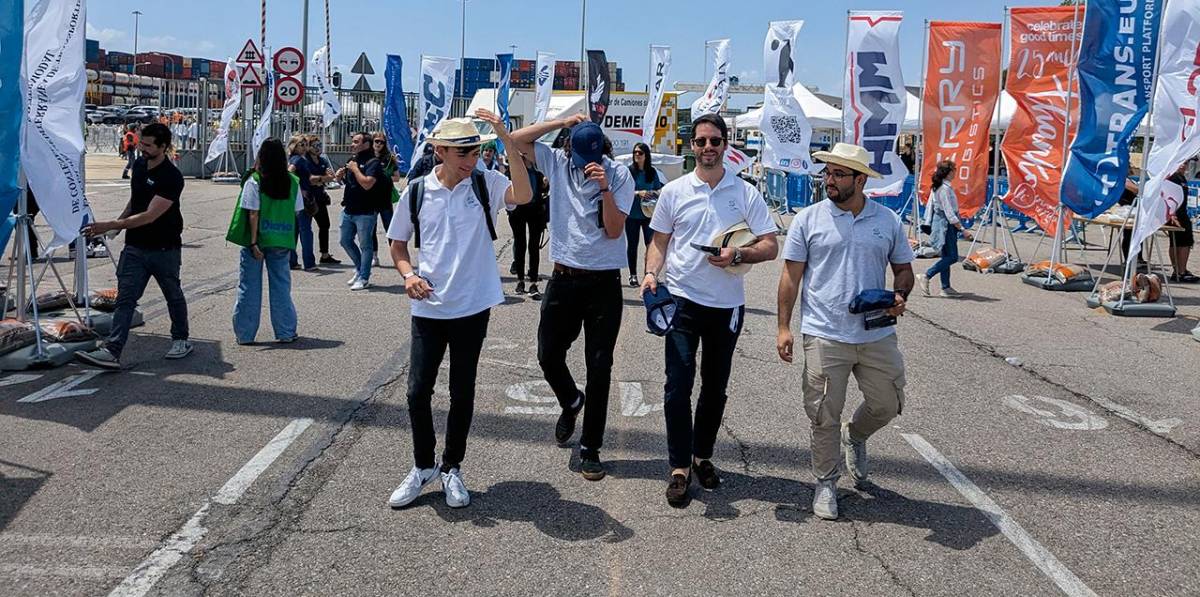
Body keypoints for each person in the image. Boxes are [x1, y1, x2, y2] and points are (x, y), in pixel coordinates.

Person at [385, 110, 533, 509]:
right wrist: (407, 275)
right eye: (462, 152)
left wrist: (503, 135)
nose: (471, 159)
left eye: (476, 150)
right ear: (439, 151)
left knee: (461, 391)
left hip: (472, 305)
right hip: (429, 306)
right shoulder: (416, 191)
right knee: (417, 392)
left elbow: (525, 194)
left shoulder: (486, 183)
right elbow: (398, 244)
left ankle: (452, 467)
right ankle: (422, 467)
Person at [641, 114, 779, 506]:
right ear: (692, 145)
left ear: (725, 144)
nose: (707, 148)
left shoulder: (745, 193)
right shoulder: (675, 191)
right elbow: (660, 241)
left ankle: (703, 456)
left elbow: (771, 245)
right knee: (677, 387)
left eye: (714, 141)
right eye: (700, 141)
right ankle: (679, 467)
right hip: (682, 301)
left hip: (726, 306)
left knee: (714, 389)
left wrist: (739, 252)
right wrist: (652, 273)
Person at [776, 142, 915, 521]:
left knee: (888, 404)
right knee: (822, 413)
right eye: (827, 172)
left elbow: (904, 270)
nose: (829, 180)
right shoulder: (808, 219)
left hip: (875, 333)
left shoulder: (887, 221)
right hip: (824, 332)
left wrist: (900, 294)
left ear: (860, 180)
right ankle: (826, 482)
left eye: (838, 174)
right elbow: (791, 277)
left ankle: (856, 436)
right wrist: (784, 327)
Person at [510, 113, 634, 481]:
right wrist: (561, 121)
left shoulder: (619, 174)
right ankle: (570, 400)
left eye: (592, 158)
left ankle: (591, 448)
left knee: (600, 367)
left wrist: (605, 188)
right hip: (563, 278)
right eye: (581, 158)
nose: (586, 165)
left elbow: (614, 231)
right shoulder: (559, 162)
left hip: (603, 284)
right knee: (548, 354)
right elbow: (516, 140)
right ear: (569, 149)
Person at [76, 123, 192, 369]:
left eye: (148, 145)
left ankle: (180, 339)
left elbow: (150, 215)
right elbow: (136, 201)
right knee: (125, 298)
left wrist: (108, 224)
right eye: (141, 143)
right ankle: (112, 350)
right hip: (135, 247)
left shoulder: (171, 177)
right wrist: (117, 227)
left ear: (163, 147)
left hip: (164, 248)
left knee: (173, 295)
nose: (142, 148)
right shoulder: (139, 166)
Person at [232, 138, 302, 344]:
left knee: (249, 287)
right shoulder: (292, 181)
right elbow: (297, 210)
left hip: (257, 240)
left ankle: (245, 334)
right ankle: (285, 331)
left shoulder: (254, 180)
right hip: (281, 239)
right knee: (281, 287)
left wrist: (253, 242)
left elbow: (253, 213)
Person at [336, 132, 386, 291]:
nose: (352, 144)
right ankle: (359, 269)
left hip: (365, 211)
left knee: (365, 245)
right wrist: (339, 177)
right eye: (353, 141)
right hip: (349, 209)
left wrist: (356, 170)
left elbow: (367, 184)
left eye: (356, 141)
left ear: (366, 144)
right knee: (345, 240)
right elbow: (349, 183)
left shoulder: (373, 163)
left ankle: (364, 277)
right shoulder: (353, 160)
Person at [917, 160, 973, 297]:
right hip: (946, 226)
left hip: (944, 224)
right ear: (948, 172)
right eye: (954, 169)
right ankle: (926, 275)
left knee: (947, 256)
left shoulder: (940, 187)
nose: (955, 172)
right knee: (953, 257)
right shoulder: (944, 189)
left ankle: (945, 287)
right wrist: (962, 229)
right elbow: (949, 212)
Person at [508, 161, 549, 297]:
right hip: (518, 211)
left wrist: (545, 184)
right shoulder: (515, 169)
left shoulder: (539, 170)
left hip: (536, 211)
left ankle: (533, 282)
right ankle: (520, 280)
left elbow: (543, 190)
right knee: (520, 245)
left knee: (534, 247)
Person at [625, 142, 663, 287]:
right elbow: (624, 191)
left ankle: (649, 273)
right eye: (635, 152)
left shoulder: (652, 172)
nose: (637, 155)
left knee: (650, 245)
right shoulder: (629, 172)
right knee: (633, 245)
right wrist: (638, 193)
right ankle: (632, 275)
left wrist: (652, 193)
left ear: (646, 155)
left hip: (648, 214)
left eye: (640, 153)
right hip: (632, 215)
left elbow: (659, 190)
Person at [304, 134, 340, 265]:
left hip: (319, 197)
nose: (318, 148)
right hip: (307, 198)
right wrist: (322, 179)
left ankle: (324, 255)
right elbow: (310, 180)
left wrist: (321, 180)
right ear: (308, 147)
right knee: (303, 227)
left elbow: (331, 175)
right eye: (315, 146)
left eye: (319, 145)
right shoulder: (305, 161)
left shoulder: (322, 160)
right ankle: (296, 257)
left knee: (325, 225)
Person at [286, 134, 318, 272]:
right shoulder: (298, 159)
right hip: (302, 199)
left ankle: (292, 261)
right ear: (294, 146)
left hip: (295, 198)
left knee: (294, 231)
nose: (305, 148)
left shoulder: (294, 158)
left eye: (306, 145)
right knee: (306, 231)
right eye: (302, 145)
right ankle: (309, 262)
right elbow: (290, 172)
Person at [372, 131, 401, 267]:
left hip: (385, 197)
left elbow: (397, 177)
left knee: (390, 228)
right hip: (370, 197)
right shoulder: (368, 157)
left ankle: (397, 257)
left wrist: (383, 178)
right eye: (376, 141)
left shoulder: (389, 158)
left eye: (381, 142)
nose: (378, 144)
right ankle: (374, 256)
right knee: (371, 228)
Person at [1167, 164, 1197, 283]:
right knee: (1183, 243)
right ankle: (1181, 271)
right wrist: (1172, 214)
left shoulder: (1181, 178)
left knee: (1179, 242)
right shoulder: (1173, 178)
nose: (1184, 166)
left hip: (1181, 213)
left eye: (1186, 163)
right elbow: (1168, 196)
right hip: (1177, 214)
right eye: (1182, 163)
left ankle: (1178, 270)